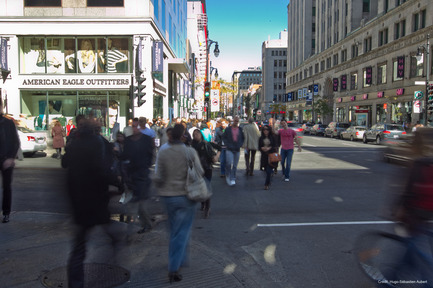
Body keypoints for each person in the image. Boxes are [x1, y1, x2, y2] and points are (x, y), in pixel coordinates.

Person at [62, 118, 120, 288]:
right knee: (106, 226)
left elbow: (65, 163)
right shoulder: (97, 144)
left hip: (79, 201)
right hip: (94, 199)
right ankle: (115, 246)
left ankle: (75, 283)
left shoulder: (75, 144)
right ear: (95, 130)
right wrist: (117, 182)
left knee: (79, 247)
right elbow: (101, 169)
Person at [153, 124, 202, 283]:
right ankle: (175, 266)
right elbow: (199, 171)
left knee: (174, 230)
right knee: (182, 231)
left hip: (167, 196)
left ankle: (180, 259)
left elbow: (159, 176)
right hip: (186, 195)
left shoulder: (164, 152)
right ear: (183, 136)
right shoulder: (189, 152)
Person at [122, 118, 155, 233]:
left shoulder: (146, 139)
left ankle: (145, 223)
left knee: (140, 201)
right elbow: (125, 156)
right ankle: (141, 222)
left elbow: (150, 154)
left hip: (142, 173)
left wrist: (146, 165)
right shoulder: (128, 141)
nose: (135, 129)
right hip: (132, 175)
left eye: (137, 126)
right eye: (133, 126)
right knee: (134, 201)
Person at [0, 99, 20, 223]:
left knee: (7, 187)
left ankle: (6, 213)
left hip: (6, 158)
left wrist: (11, 158)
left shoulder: (8, 123)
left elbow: (15, 142)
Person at [191, 129, 217, 218]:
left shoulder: (206, 144)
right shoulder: (192, 145)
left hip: (206, 168)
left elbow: (212, 155)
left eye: (197, 134)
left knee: (206, 187)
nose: (196, 136)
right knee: (200, 187)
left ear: (201, 135)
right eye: (194, 134)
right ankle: (203, 203)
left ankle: (207, 207)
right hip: (196, 169)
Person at [222, 116, 244, 186]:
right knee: (228, 163)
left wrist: (240, 144)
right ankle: (228, 175)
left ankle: (233, 178)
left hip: (237, 148)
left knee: (235, 165)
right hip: (229, 148)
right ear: (233, 121)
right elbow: (224, 137)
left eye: (237, 121)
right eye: (235, 121)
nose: (236, 122)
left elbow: (243, 138)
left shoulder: (240, 129)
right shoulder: (228, 129)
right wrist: (227, 144)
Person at [259, 125, 277, 190]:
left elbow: (275, 146)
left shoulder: (272, 137)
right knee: (266, 170)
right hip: (264, 156)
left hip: (271, 156)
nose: (265, 131)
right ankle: (269, 180)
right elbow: (259, 146)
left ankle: (266, 184)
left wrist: (269, 148)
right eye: (264, 130)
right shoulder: (261, 138)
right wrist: (262, 148)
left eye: (267, 130)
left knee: (269, 170)